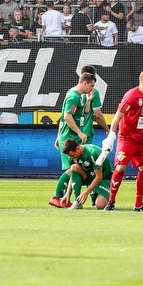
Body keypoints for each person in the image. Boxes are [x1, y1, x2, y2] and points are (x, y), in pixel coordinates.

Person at [101, 69, 143, 211]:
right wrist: (111, 135)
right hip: (127, 138)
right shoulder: (131, 96)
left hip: (142, 138)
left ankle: (138, 204)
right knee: (121, 167)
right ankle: (111, 201)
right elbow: (117, 116)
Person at [50, 71, 99, 208]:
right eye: (91, 85)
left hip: (71, 136)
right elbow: (66, 117)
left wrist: (89, 101)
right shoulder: (73, 96)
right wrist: (80, 133)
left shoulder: (80, 96)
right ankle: (57, 196)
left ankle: (66, 199)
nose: (92, 88)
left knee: (75, 168)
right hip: (70, 137)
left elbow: (84, 113)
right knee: (71, 169)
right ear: (85, 83)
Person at [59, 138, 113, 210]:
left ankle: (96, 194)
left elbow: (99, 176)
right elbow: (73, 175)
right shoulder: (72, 158)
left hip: (104, 178)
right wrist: (67, 194)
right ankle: (77, 202)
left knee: (100, 205)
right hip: (91, 176)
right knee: (74, 167)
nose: (72, 157)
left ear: (78, 148)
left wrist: (86, 192)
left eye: (72, 154)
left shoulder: (93, 153)